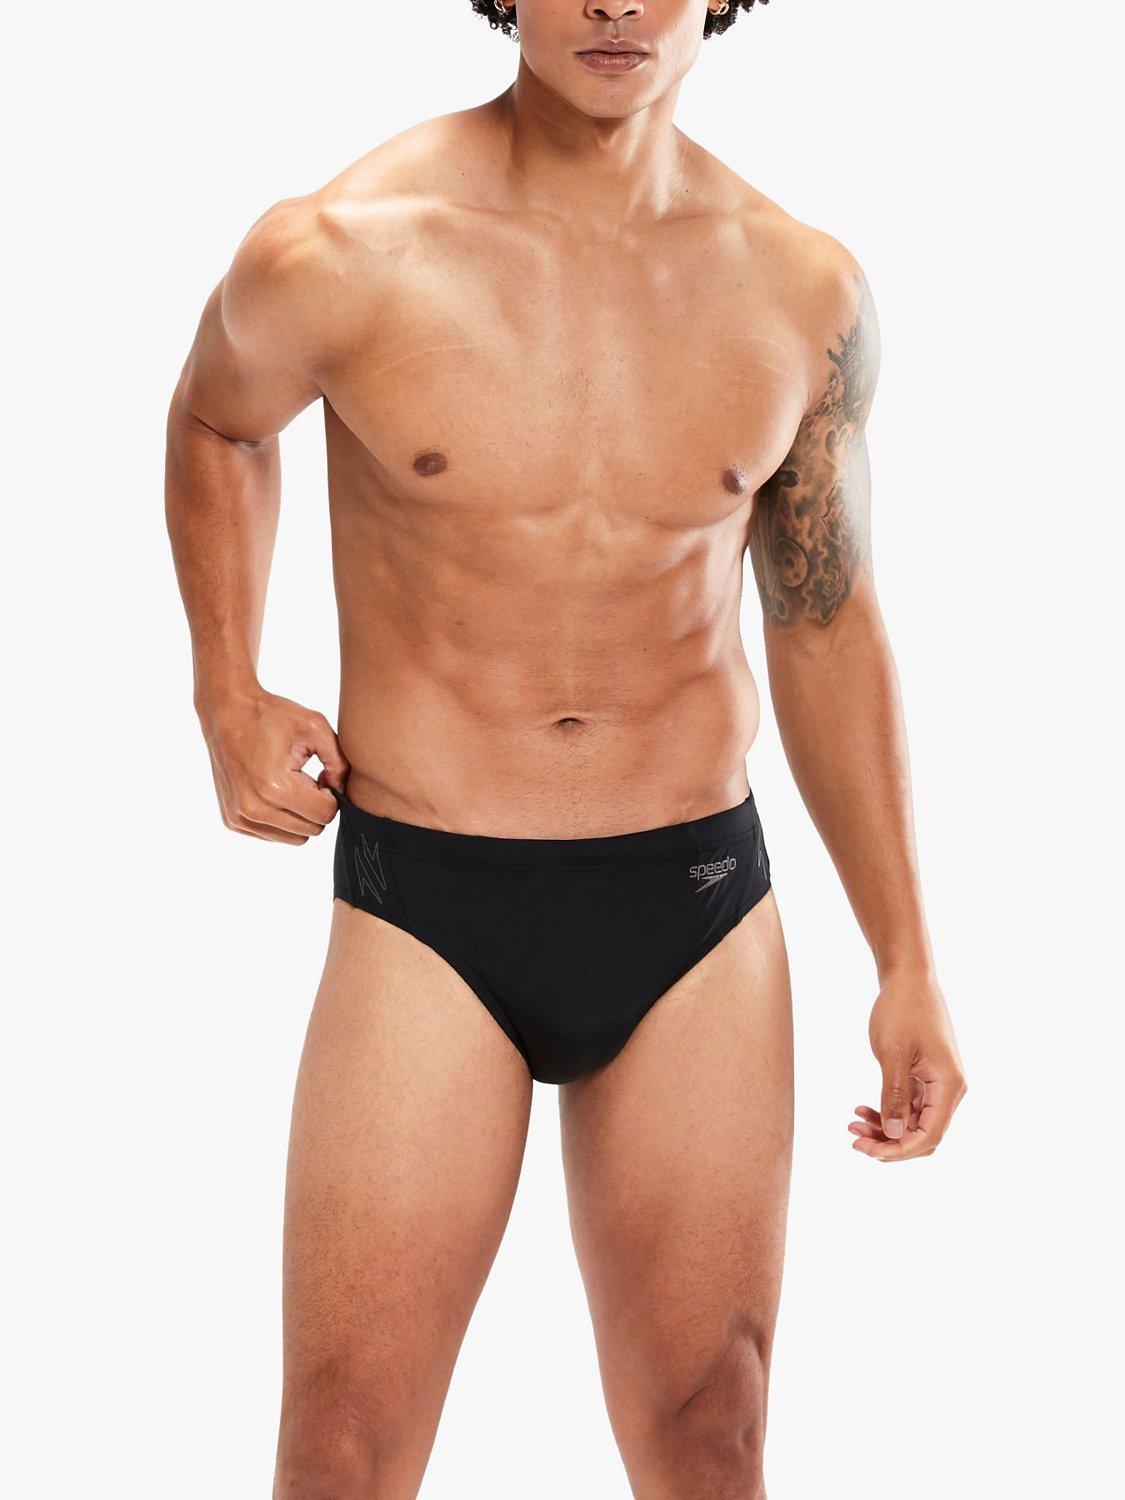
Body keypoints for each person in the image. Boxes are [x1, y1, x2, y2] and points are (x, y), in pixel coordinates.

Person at [165, 1, 967, 1494]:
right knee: (342, 1443)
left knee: (711, 1434)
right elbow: (219, 423)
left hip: (695, 908)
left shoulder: (800, 289)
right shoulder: (342, 247)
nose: (613, 4)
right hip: (428, 903)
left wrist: (906, 956)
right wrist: (228, 688)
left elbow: (821, 618)